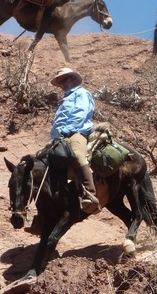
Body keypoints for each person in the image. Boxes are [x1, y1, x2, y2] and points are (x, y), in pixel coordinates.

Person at [49, 67, 100, 215]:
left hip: (77, 132)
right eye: (60, 82)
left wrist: (67, 131)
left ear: (72, 78)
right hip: (59, 137)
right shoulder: (65, 99)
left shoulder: (81, 93)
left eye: (64, 79)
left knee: (77, 155)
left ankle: (90, 194)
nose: (62, 84)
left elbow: (81, 113)